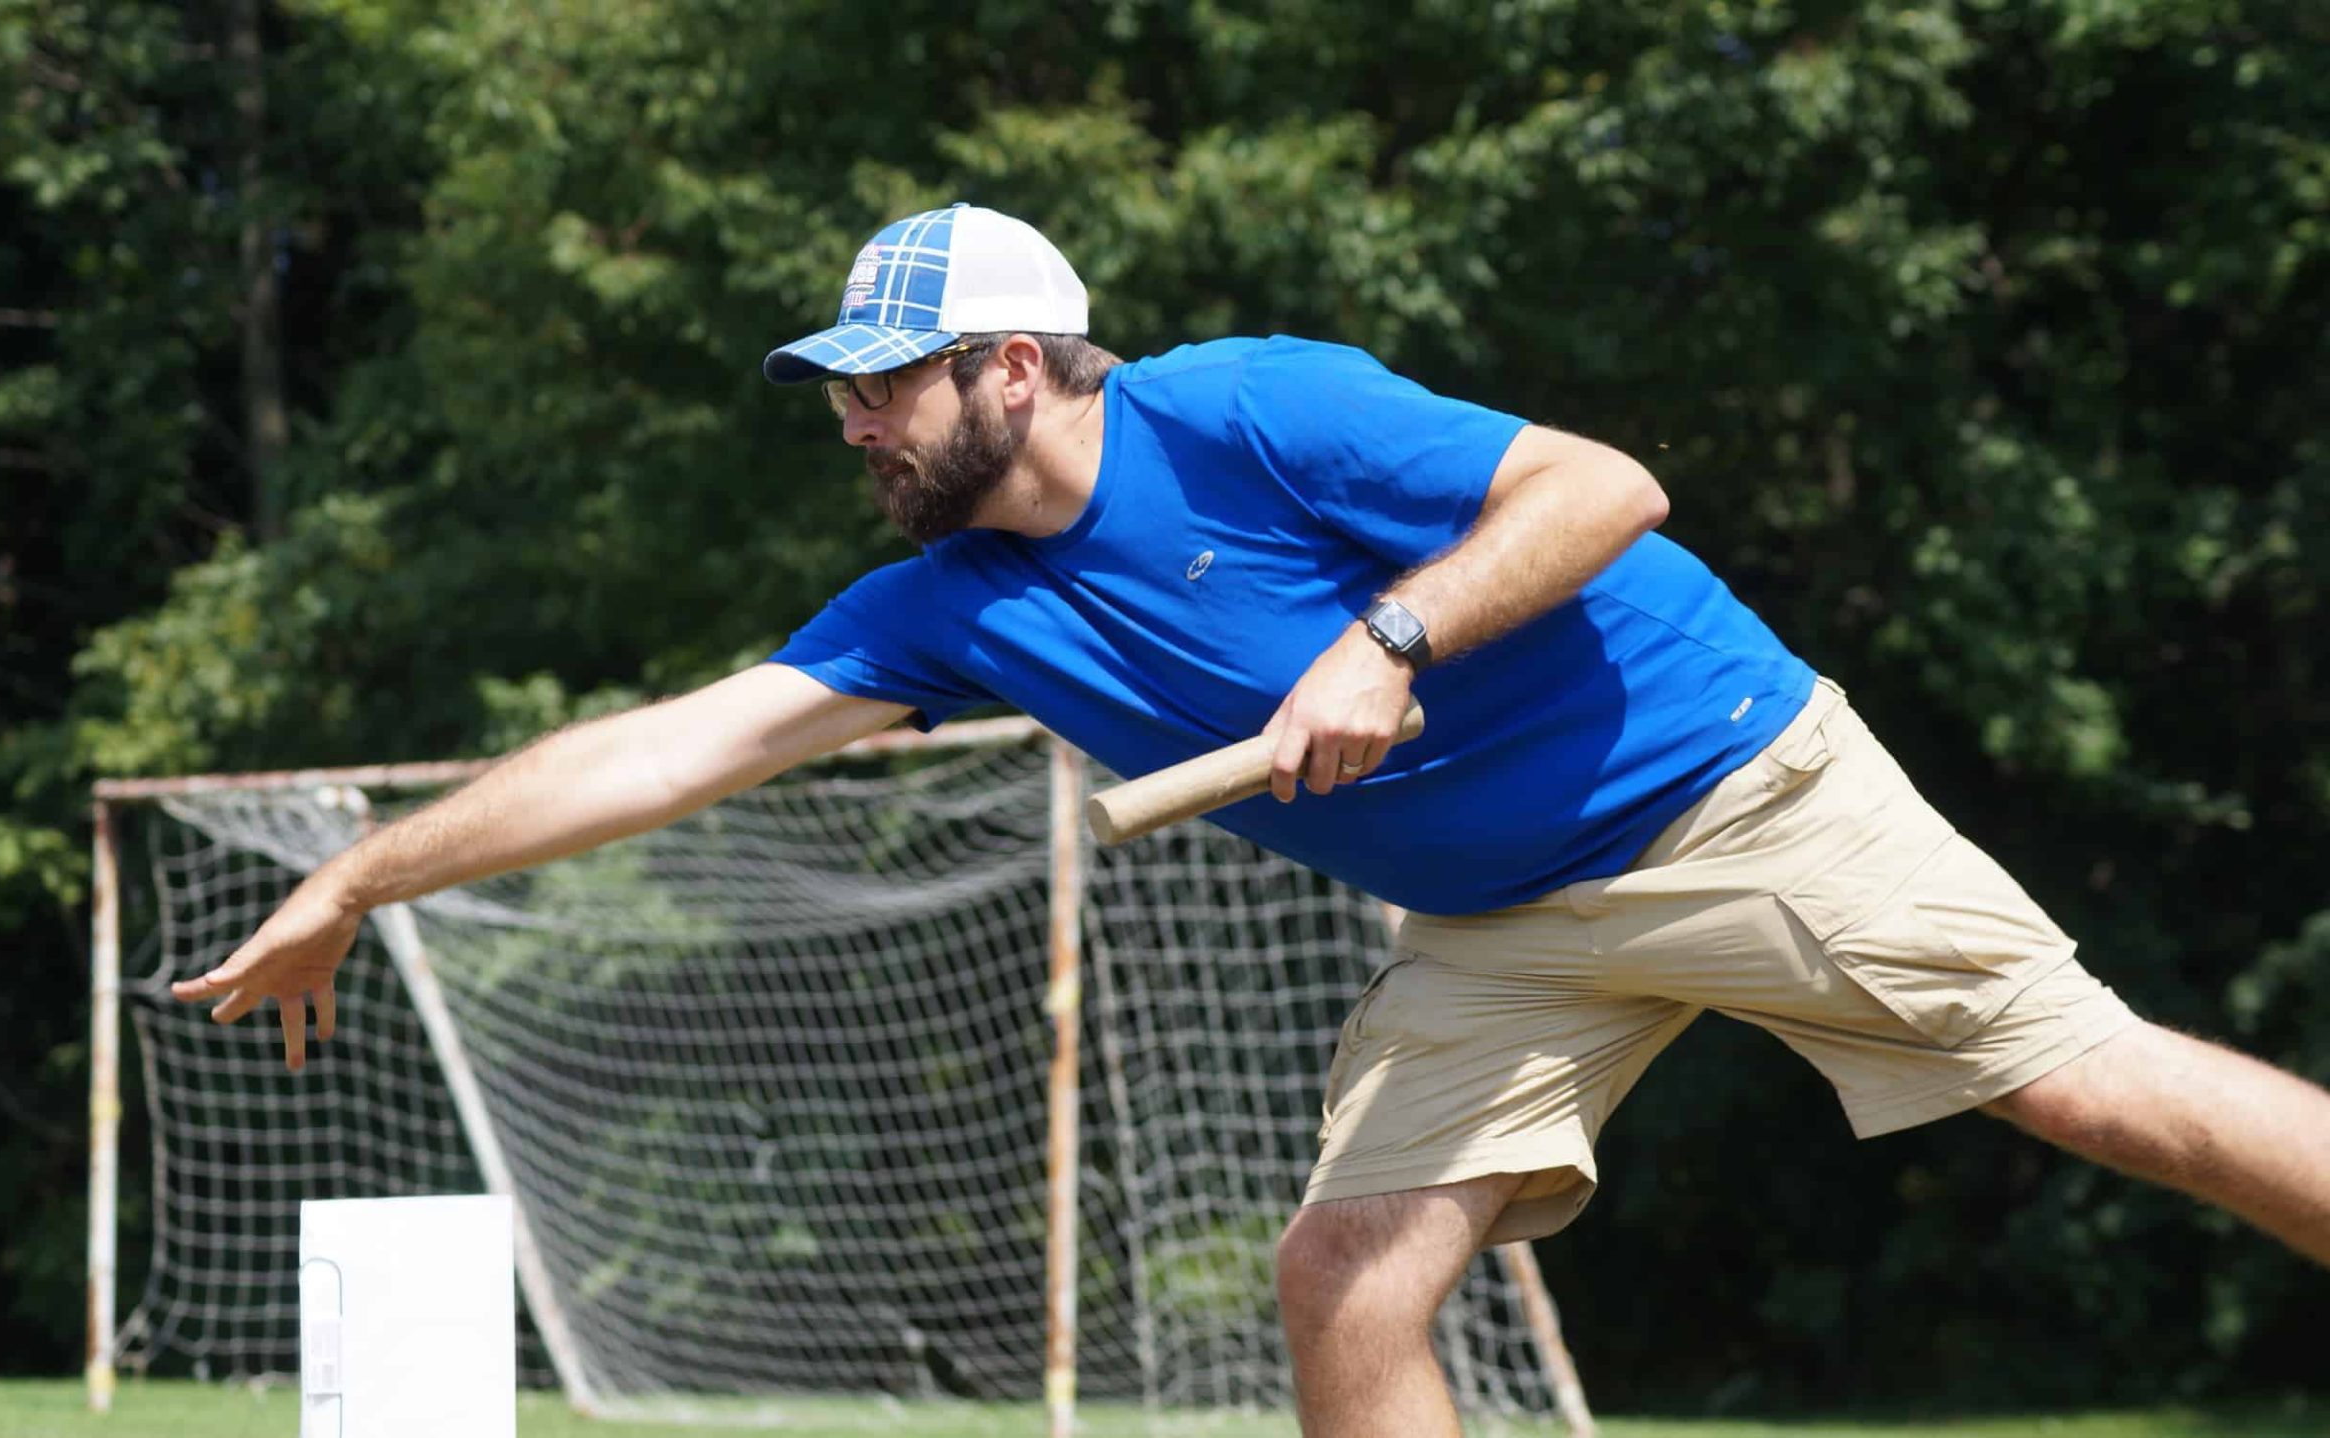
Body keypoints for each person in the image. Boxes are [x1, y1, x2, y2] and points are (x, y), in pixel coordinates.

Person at [175, 203, 2330, 1436]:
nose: (850, 410)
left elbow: (1604, 488)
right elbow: (669, 745)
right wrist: (361, 870)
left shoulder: (1251, 407)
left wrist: (1385, 632)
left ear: (1013, 368)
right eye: (838, 380)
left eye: (883, 375)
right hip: (1498, 923)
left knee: (2098, 1096)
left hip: (1726, 788)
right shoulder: (943, 605)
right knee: (1344, 1281)